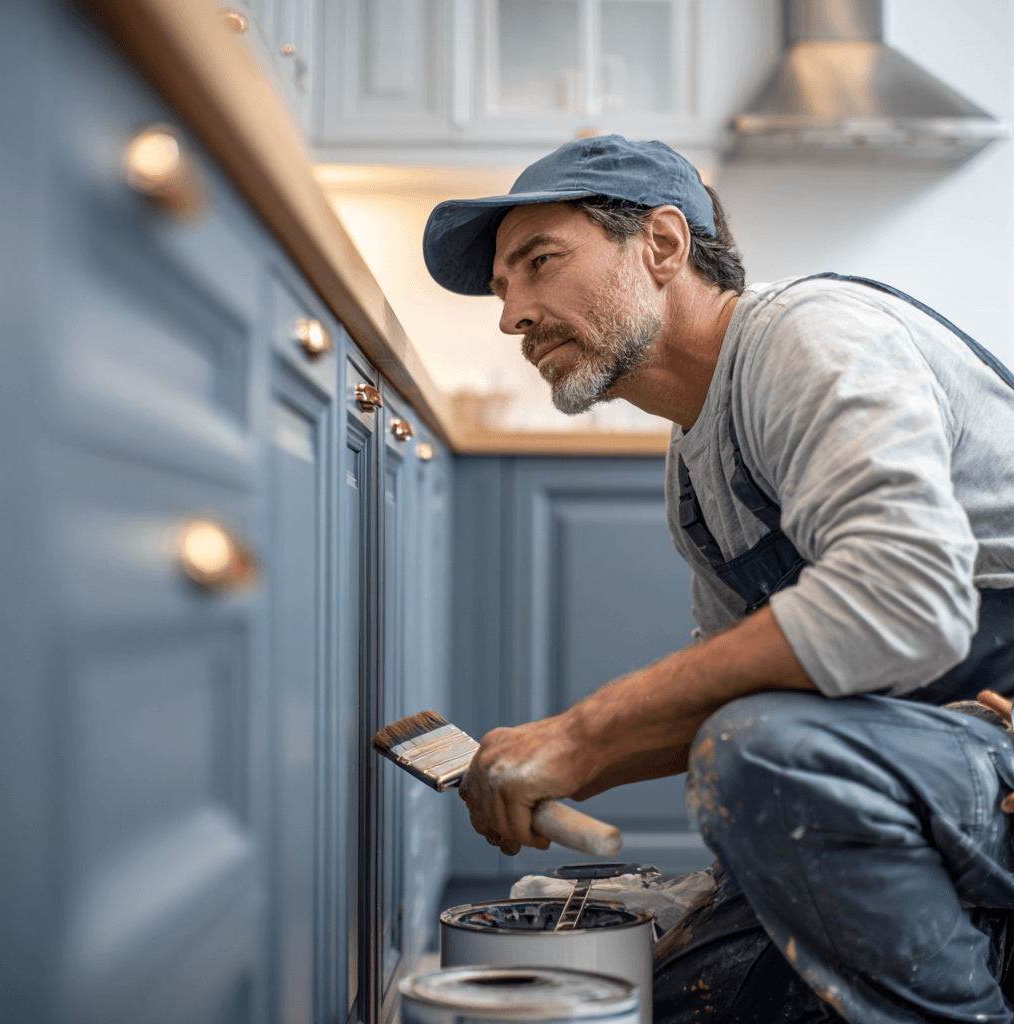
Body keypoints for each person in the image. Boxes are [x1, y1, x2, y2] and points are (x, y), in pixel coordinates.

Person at [422, 135, 1014, 1023]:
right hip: (945, 753)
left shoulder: (809, 337)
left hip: (992, 744)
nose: (512, 315)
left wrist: (587, 731)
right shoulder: (695, 460)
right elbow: (733, 682)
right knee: (687, 992)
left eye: (538, 263)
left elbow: (905, 601)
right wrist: (561, 760)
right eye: (505, 289)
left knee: (761, 751)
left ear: (663, 245)